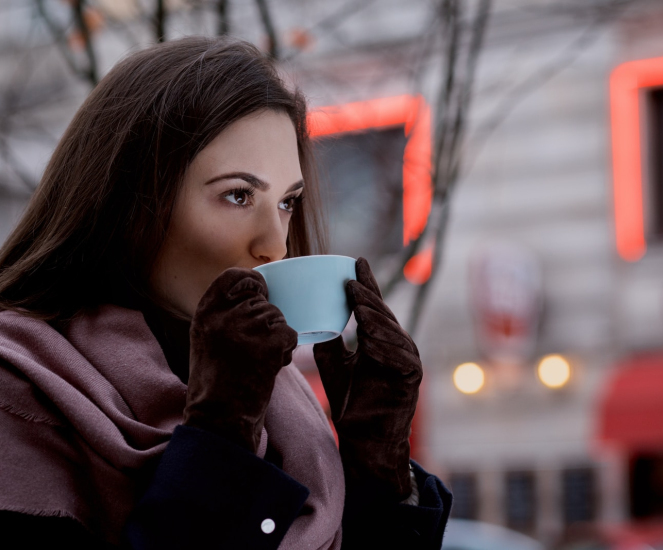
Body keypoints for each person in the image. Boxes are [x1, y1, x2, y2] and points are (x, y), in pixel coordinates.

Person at [0, 37, 452, 549]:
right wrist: (221, 435)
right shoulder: (19, 386)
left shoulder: (285, 404)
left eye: (287, 202)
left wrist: (378, 467)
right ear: (130, 201)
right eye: (238, 195)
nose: (275, 245)